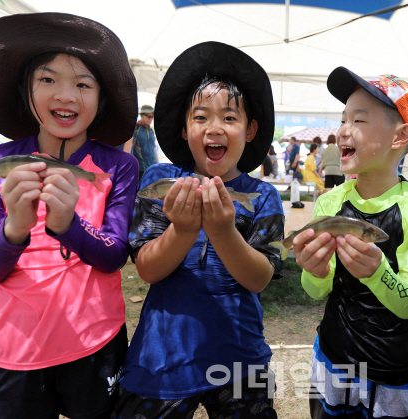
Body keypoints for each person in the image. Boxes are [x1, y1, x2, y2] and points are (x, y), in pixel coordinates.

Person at [0, 13, 139, 419]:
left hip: (96, 342)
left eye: (83, 84)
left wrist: (67, 226)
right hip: (13, 350)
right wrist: (14, 228)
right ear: (26, 90)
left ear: (101, 99)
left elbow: (115, 254)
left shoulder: (118, 166)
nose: (66, 94)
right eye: (48, 79)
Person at [113, 41, 283, 419]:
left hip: (241, 357)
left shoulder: (262, 196)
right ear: (185, 128)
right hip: (162, 355)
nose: (215, 128)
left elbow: (259, 278)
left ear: (251, 129)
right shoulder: (160, 180)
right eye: (201, 117)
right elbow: (147, 269)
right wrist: (182, 231)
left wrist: (223, 232)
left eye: (229, 117)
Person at [293, 68, 408, 419]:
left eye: (358, 120)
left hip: (395, 371)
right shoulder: (330, 203)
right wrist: (313, 270)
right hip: (335, 358)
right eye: (343, 119)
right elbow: (317, 292)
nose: (343, 129)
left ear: (400, 136)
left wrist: (378, 272)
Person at [122, 104, 156, 183]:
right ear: (141, 115)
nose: (151, 119)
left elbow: (154, 148)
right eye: (149, 116)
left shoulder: (151, 130)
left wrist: (157, 164)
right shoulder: (135, 129)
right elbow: (129, 148)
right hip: (140, 170)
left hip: (151, 168)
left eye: (152, 116)